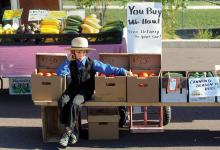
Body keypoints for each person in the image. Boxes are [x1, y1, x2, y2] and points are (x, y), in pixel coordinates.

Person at [56, 37, 132, 147]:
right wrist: (67, 60)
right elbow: (60, 73)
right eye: (77, 51)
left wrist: (124, 71)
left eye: (82, 51)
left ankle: (67, 133)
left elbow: (108, 69)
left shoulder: (93, 63)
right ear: (73, 52)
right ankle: (73, 130)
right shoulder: (70, 63)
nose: (80, 54)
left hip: (86, 90)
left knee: (75, 103)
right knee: (62, 102)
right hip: (73, 88)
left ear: (86, 52)